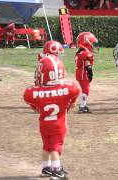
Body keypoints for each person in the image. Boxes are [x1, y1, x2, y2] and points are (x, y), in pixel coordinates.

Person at [23, 43, 81, 180]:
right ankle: (56, 169)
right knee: (55, 147)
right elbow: (75, 90)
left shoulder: (34, 92)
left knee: (47, 145)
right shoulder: (68, 89)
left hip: (44, 123)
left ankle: (45, 167)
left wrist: (36, 107)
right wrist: (71, 103)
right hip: (58, 124)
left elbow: (30, 101)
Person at [75, 32, 98, 113]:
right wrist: (90, 74)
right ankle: (82, 106)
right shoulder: (86, 53)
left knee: (84, 89)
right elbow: (88, 65)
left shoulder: (79, 52)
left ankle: (83, 105)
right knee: (86, 90)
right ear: (86, 42)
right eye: (92, 42)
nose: (92, 44)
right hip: (83, 73)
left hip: (79, 72)